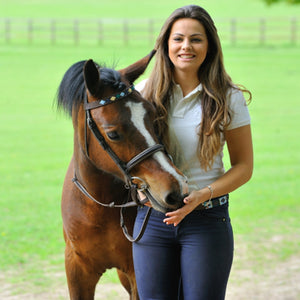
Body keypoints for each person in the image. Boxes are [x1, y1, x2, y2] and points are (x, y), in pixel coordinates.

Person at [133, 5, 253, 300]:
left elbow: (243, 166)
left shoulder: (228, 97)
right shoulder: (143, 93)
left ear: (209, 45)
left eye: (196, 39)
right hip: (152, 222)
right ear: (165, 44)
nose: (186, 46)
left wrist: (203, 194)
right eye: (178, 39)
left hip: (207, 221)